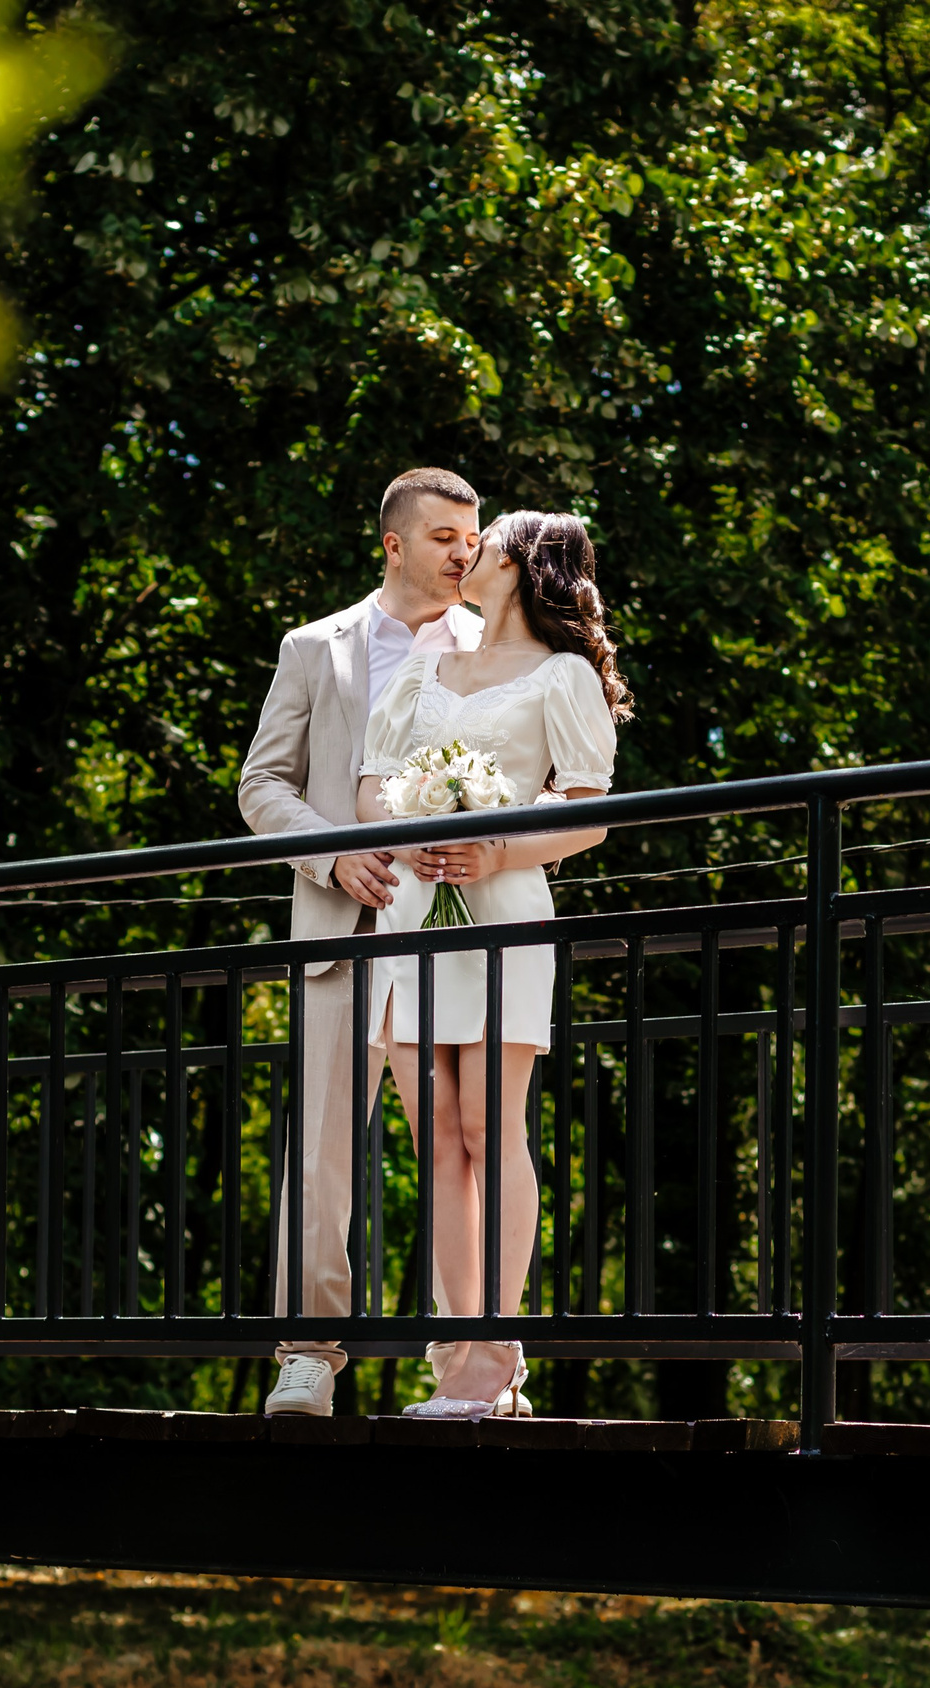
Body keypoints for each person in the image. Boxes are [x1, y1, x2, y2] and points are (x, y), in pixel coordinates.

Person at [355, 510, 632, 1419]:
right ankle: (455, 1358)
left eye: (489, 539)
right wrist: (409, 831)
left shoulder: (562, 675)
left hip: (502, 910)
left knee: (487, 1127)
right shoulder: (423, 667)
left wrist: (497, 848)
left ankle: (495, 1356)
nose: (469, 551)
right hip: (412, 911)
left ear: (522, 565)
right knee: (435, 1138)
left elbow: (589, 811)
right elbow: (372, 784)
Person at [237, 467, 485, 1417]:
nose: (463, 552)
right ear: (393, 543)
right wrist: (332, 855)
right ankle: (307, 1354)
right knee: (322, 1158)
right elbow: (263, 784)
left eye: (472, 537)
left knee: (465, 1150)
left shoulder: (495, 645)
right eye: (444, 536)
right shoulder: (316, 648)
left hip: (456, 937)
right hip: (341, 938)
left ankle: (473, 1362)